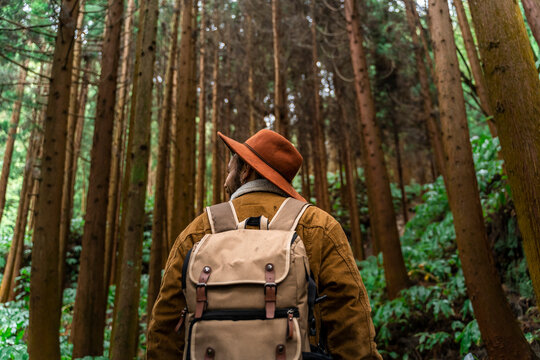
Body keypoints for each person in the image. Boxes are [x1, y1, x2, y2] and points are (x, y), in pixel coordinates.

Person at [146, 129, 382, 360]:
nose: (225, 181)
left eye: (229, 171)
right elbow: (351, 323)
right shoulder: (320, 227)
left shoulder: (199, 229)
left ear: (246, 170)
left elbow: (165, 328)